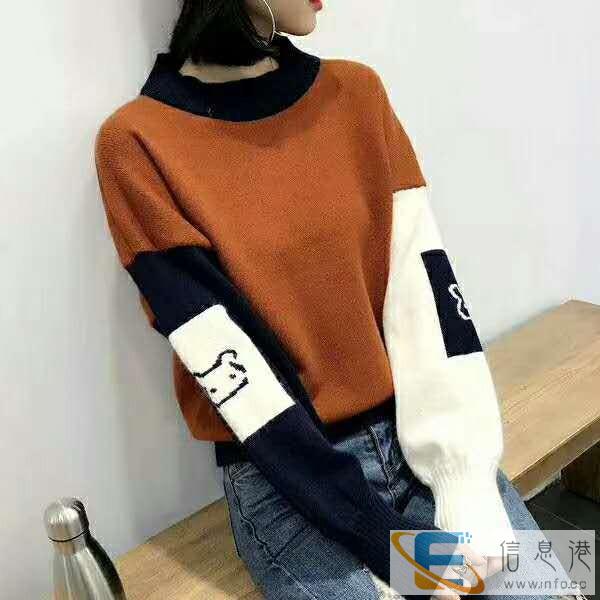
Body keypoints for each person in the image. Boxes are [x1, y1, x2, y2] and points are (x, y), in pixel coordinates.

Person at [93, 1, 588, 599]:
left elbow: (428, 296)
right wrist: (392, 548)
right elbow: (235, 370)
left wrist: (463, 481)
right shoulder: (136, 144)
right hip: (289, 482)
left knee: (545, 589)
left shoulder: (356, 95)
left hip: (418, 441)